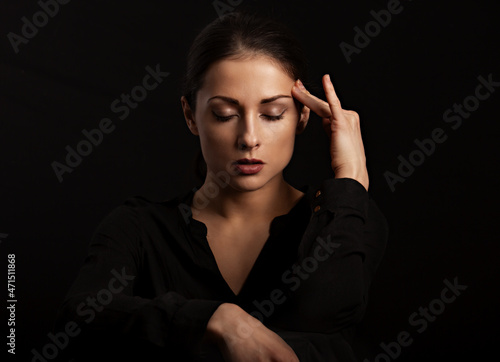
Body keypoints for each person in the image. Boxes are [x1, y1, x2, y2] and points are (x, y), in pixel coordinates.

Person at [54, 10, 388, 362]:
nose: (248, 138)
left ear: (302, 117)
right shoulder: (138, 228)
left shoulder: (347, 217)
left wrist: (351, 175)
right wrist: (216, 320)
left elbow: (325, 317)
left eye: (272, 114)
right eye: (225, 115)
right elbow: (77, 319)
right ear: (190, 116)